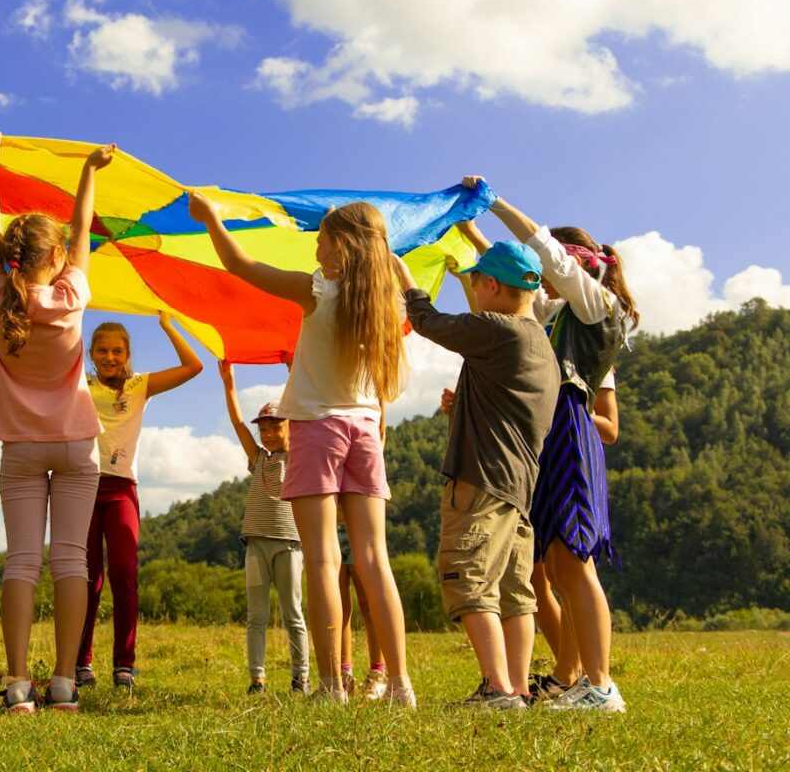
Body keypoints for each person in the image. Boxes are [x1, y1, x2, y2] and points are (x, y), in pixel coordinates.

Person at [189, 193, 415, 706]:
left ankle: (333, 685)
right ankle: (401, 684)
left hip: (316, 428)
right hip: (365, 429)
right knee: (377, 559)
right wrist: (390, 260)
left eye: (323, 236)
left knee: (321, 559)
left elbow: (240, 264)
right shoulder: (390, 304)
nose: (316, 242)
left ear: (343, 247)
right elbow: (405, 283)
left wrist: (212, 219)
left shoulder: (319, 291)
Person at [468, 176, 639, 712]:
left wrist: (494, 203)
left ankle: (600, 683)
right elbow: (519, 280)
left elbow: (539, 249)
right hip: (550, 430)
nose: (540, 278)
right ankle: (584, 680)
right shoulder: (558, 311)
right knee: (560, 565)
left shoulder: (594, 304)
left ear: (572, 265)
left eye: (550, 268)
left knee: (573, 564)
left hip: (570, 428)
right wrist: (472, 234)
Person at [0, 131, 115, 713]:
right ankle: (62, 683)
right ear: (56, 260)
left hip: (20, 449)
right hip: (77, 446)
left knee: (22, 562)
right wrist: (89, 169)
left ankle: (15, 685)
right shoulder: (72, 296)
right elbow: (84, 229)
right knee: (71, 562)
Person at [397, 237, 560, 709]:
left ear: (491, 284)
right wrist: (464, 407)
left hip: (482, 481)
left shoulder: (499, 329)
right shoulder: (539, 346)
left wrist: (405, 281)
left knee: (468, 578)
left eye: (476, 283)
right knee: (514, 593)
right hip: (516, 488)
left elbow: (427, 321)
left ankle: (496, 687)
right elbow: (509, 413)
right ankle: (519, 688)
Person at [75, 316, 202, 689]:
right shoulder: (80, 383)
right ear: (91, 353)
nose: (110, 356)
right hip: (82, 486)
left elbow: (193, 366)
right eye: (102, 350)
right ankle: (82, 662)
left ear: (128, 354)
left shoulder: (138, 385)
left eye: (117, 350)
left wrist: (168, 324)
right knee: (87, 579)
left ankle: (123, 665)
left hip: (121, 490)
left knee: (124, 574)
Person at [220, 363, 310, 696]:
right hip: (256, 545)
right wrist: (230, 385)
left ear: (290, 427)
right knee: (256, 615)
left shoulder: (299, 455)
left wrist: (295, 370)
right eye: (265, 429)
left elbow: (305, 407)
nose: (269, 434)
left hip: (288, 545)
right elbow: (238, 423)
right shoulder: (258, 458)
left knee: (293, 613)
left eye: (276, 427)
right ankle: (257, 679)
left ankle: (301, 677)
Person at [338, 527, 388, 699]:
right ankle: (344, 675)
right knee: (338, 607)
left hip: (358, 528)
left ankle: (377, 674)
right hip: (331, 530)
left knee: (368, 603)